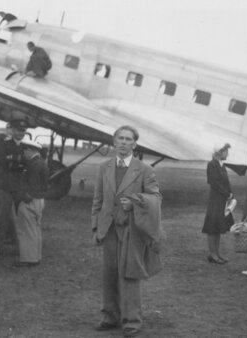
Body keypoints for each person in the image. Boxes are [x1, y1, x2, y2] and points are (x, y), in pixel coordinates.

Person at [91, 125, 163, 337]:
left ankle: (132, 321)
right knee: (109, 273)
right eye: (120, 138)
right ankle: (110, 316)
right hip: (109, 229)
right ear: (114, 142)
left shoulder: (145, 170)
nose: (123, 142)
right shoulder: (104, 167)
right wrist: (96, 226)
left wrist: (135, 203)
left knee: (129, 275)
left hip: (132, 230)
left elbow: (156, 198)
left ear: (134, 144)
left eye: (128, 139)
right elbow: (98, 200)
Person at [13, 140, 49, 267]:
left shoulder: (32, 165)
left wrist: (22, 195)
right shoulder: (42, 163)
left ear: (30, 150)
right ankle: (36, 256)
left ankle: (29, 259)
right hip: (40, 200)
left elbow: (31, 185)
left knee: (27, 230)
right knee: (35, 229)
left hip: (30, 200)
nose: (23, 154)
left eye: (24, 151)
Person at [0, 119, 28, 252]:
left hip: (20, 187)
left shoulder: (27, 145)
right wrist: (18, 162)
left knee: (22, 218)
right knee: (2, 218)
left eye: (23, 131)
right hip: (6, 186)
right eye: (18, 130)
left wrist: (12, 159)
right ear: (12, 130)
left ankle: (21, 248)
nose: (21, 133)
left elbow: (27, 163)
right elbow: (2, 161)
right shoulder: (4, 144)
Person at [202, 143, 233, 264]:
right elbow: (213, 182)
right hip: (216, 199)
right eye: (226, 151)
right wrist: (226, 193)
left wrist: (230, 193)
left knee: (218, 226)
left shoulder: (221, 165)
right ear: (219, 152)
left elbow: (226, 182)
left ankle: (216, 253)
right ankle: (212, 254)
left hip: (222, 199)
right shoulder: (212, 164)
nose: (228, 154)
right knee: (212, 227)